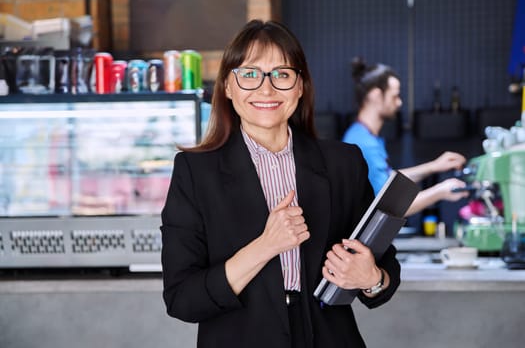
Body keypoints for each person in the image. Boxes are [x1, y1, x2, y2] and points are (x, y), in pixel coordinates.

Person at [161, 20, 401, 348]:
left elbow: (385, 270)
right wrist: (266, 245)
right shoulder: (194, 172)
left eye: (282, 74)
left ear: (300, 86)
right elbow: (182, 299)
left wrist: (371, 279)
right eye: (249, 74)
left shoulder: (343, 163)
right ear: (228, 88)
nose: (266, 89)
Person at [342, 57, 469, 216]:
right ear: (376, 95)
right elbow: (390, 205)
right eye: (395, 96)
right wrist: (441, 191)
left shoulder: (365, 136)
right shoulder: (363, 144)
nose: (399, 102)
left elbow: (389, 182)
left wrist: (434, 166)